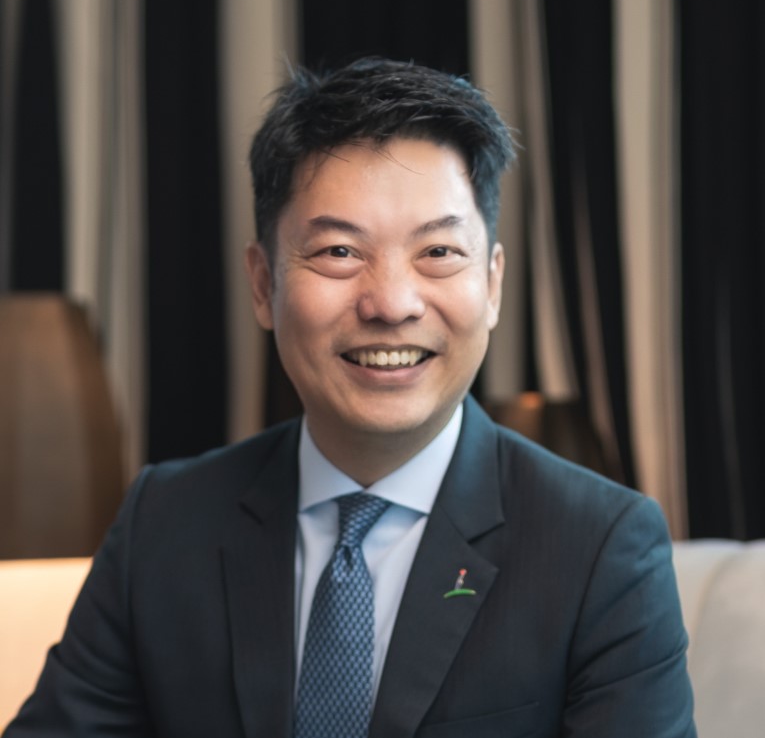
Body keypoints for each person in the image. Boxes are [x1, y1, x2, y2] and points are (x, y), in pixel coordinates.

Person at [4, 57, 696, 737]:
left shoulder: (599, 546)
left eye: (438, 252)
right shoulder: (163, 524)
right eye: (339, 251)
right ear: (262, 284)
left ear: (491, 283)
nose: (390, 303)